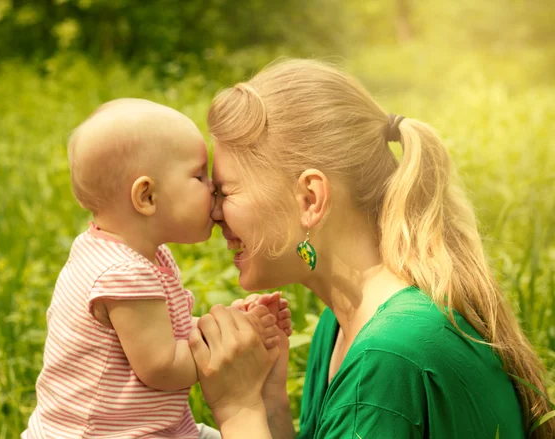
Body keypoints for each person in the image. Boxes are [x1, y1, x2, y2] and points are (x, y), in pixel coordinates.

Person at [188, 59, 555, 438]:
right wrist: (269, 405)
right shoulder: (341, 326)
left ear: (310, 199)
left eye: (226, 191)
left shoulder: (385, 356)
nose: (213, 212)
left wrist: (238, 410)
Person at [22, 98, 291, 439]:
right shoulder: (122, 274)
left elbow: (165, 333)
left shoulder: (135, 255)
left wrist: (231, 328)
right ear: (146, 196)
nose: (213, 187)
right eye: (199, 175)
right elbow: (162, 368)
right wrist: (228, 351)